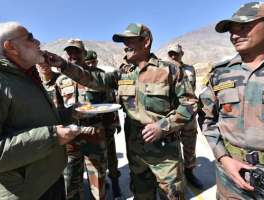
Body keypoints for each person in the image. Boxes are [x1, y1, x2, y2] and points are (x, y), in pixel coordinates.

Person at [46, 23, 198, 200]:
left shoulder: (170, 70)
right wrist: (64, 66)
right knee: (142, 195)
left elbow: (191, 103)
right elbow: (95, 79)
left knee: (172, 196)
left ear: (146, 41)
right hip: (136, 154)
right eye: (123, 41)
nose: (125, 45)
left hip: (164, 154)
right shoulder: (124, 73)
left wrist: (162, 126)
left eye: (129, 40)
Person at [0, 21, 78, 200]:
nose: (38, 42)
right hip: (23, 192)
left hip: (48, 181)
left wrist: (71, 114)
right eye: (30, 38)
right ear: (11, 47)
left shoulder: (24, 76)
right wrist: (51, 136)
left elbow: (32, 121)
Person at [200, 2, 264, 199]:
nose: (235, 35)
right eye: (231, 31)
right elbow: (207, 120)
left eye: (244, 27)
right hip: (230, 178)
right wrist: (224, 158)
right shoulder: (220, 73)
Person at [57, 39, 108, 200]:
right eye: (70, 52)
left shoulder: (98, 76)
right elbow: (58, 109)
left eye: (77, 51)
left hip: (94, 134)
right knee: (70, 180)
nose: (73, 55)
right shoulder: (61, 80)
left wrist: (110, 129)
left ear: (84, 53)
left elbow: (109, 103)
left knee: (97, 181)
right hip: (71, 137)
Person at [84, 50, 123, 199]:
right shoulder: (82, 78)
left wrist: (117, 122)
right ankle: (102, 182)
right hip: (92, 128)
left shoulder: (103, 76)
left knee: (112, 157)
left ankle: (115, 185)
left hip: (107, 126)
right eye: (88, 63)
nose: (91, 65)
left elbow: (112, 101)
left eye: (93, 62)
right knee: (96, 161)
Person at [167, 44, 203, 189]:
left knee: (190, 146)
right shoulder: (165, 70)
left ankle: (189, 172)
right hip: (173, 114)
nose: (174, 56)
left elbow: (193, 89)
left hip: (189, 115)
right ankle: (176, 176)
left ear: (182, 53)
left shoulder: (190, 69)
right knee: (172, 146)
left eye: (176, 54)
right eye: (171, 54)